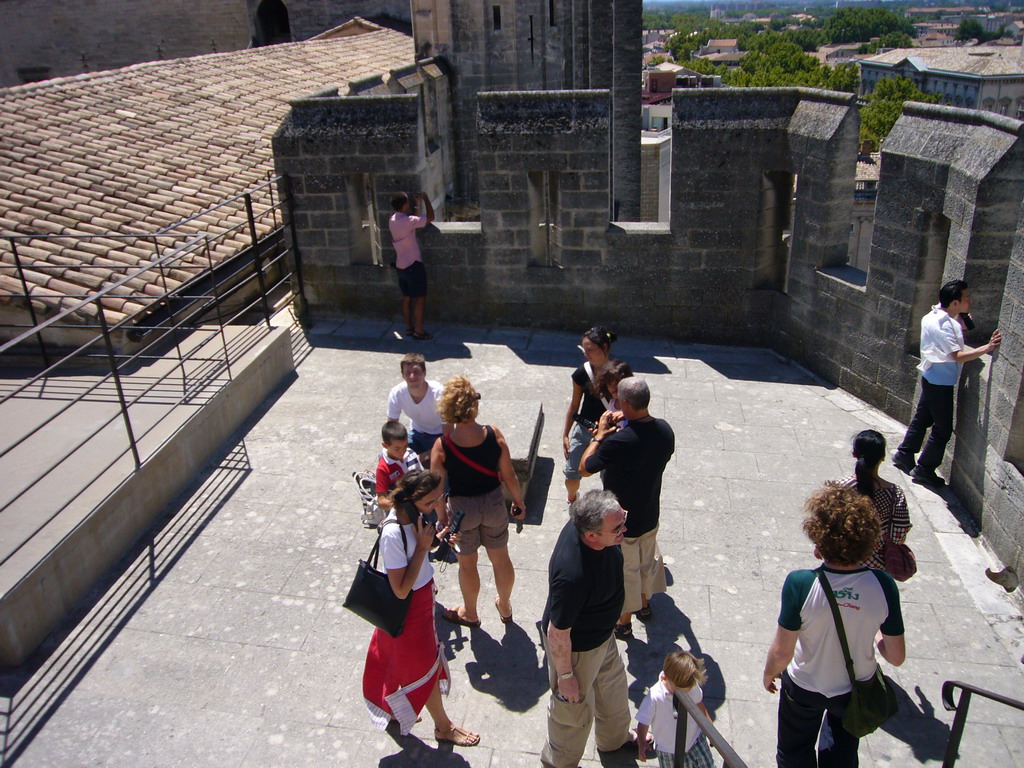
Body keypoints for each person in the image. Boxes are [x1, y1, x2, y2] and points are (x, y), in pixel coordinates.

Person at [763, 483, 906, 768]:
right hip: (853, 688)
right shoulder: (883, 585)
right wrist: (876, 632)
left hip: (805, 685)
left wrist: (769, 674)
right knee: (841, 753)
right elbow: (896, 656)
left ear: (819, 542)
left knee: (793, 752)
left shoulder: (801, 583)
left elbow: (782, 652)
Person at [362, 470, 480, 747]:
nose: (435, 507)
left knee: (397, 662)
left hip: (421, 606)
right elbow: (400, 589)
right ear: (412, 499)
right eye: (430, 502)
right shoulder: (392, 533)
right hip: (408, 614)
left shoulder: (413, 517)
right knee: (423, 668)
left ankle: (390, 709)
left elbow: (420, 549)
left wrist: (436, 540)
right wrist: (421, 549)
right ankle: (443, 727)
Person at [541, 490, 636, 768]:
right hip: (578, 652)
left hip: (603, 636)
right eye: (617, 527)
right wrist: (566, 675)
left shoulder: (586, 523)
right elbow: (557, 635)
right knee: (571, 715)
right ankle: (559, 763)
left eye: (623, 519)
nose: (625, 529)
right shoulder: (573, 577)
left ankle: (614, 740)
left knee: (613, 690)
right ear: (591, 535)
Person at [580, 377, 675, 639]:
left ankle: (624, 622)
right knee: (647, 561)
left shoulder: (619, 443)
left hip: (622, 521)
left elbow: (584, 467)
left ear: (623, 402)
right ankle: (644, 605)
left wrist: (599, 436)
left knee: (627, 572)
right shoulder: (665, 431)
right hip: (650, 513)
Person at [430, 375, 526, 627]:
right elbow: (509, 476)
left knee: (467, 565)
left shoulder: (442, 446)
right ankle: (504, 605)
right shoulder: (494, 434)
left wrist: (442, 518)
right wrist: (518, 502)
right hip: (494, 504)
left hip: (462, 512)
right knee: (501, 559)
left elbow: (436, 490)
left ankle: (470, 613)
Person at [892, 279, 1001, 488]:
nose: (970, 301)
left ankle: (904, 454)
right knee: (942, 429)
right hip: (940, 382)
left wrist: (961, 324)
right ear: (954, 303)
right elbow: (958, 355)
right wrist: (987, 348)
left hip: (931, 376)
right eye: (966, 297)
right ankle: (924, 469)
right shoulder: (946, 325)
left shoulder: (932, 316)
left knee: (923, 417)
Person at [837, 430, 911, 573]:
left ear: (854, 454)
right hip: (876, 569)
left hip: (841, 561)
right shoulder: (895, 493)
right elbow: (899, 536)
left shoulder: (840, 488)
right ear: (883, 457)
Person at [562, 327, 616, 504]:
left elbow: (625, 404)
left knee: (610, 477)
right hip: (585, 428)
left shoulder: (618, 373)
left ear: (605, 347)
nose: (586, 354)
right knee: (571, 474)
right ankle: (572, 498)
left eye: (590, 349)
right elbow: (575, 404)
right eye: (584, 350)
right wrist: (565, 433)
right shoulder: (581, 373)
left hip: (609, 432)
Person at [636, 651, 716, 768]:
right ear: (665, 677)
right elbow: (643, 722)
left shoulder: (691, 686)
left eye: (687, 691)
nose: (684, 694)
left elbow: (700, 707)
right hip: (668, 750)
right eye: (679, 692)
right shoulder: (655, 697)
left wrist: (711, 731)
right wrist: (641, 743)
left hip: (695, 740)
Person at [388, 190, 435, 340]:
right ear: (404, 205)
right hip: (414, 264)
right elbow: (430, 218)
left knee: (407, 297)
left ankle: (409, 327)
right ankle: (418, 331)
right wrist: (426, 199)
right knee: (420, 298)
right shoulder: (407, 222)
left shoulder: (393, 219)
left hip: (401, 265)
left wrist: (416, 205)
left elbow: (411, 220)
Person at [386, 353, 449, 460]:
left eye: (416, 372)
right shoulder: (397, 393)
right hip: (416, 433)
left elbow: (449, 435)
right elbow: (392, 428)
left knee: (440, 460)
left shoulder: (439, 393)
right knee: (387, 456)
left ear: (424, 373)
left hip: (441, 435)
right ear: (403, 375)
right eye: (408, 373)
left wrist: (423, 456)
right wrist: (395, 452)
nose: (412, 376)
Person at [374, 421, 422, 511]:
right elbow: (381, 500)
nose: (402, 451)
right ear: (385, 445)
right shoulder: (383, 469)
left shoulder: (411, 453)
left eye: (405, 446)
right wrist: (403, 505)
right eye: (397, 449)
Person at [592, 359, 633, 426]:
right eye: (609, 383)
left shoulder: (634, 402)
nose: (613, 387)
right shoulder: (612, 402)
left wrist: (625, 415)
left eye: (617, 382)